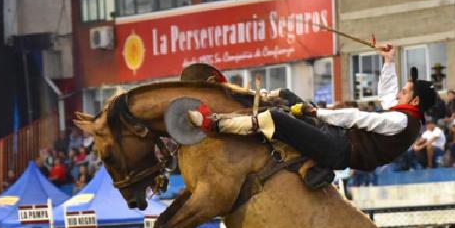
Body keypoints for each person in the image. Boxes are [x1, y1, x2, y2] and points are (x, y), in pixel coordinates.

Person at [188, 43, 439, 186]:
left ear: (414, 100)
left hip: (339, 149)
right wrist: (388, 61)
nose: (398, 94)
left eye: (404, 92)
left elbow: (358, 118)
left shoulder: (401, 121)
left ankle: (215, 124)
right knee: (285, 95)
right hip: (336, 137)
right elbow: (387, 94)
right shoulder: (405, 115)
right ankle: (230, 92)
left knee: (277, 118)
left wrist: (317, 112)